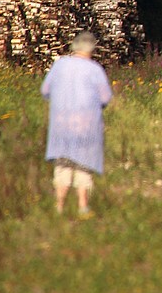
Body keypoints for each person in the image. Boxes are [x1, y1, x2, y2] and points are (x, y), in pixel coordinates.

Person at [41, 32, 112, 218]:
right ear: (92, 49)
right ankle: (82, 206)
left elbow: (45, 90)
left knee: (62, 165)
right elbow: (105, 97)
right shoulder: (95, 69)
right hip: (86, 126)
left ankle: (59, 206)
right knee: (83, 165)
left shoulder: (59, 65)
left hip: (61, 125)